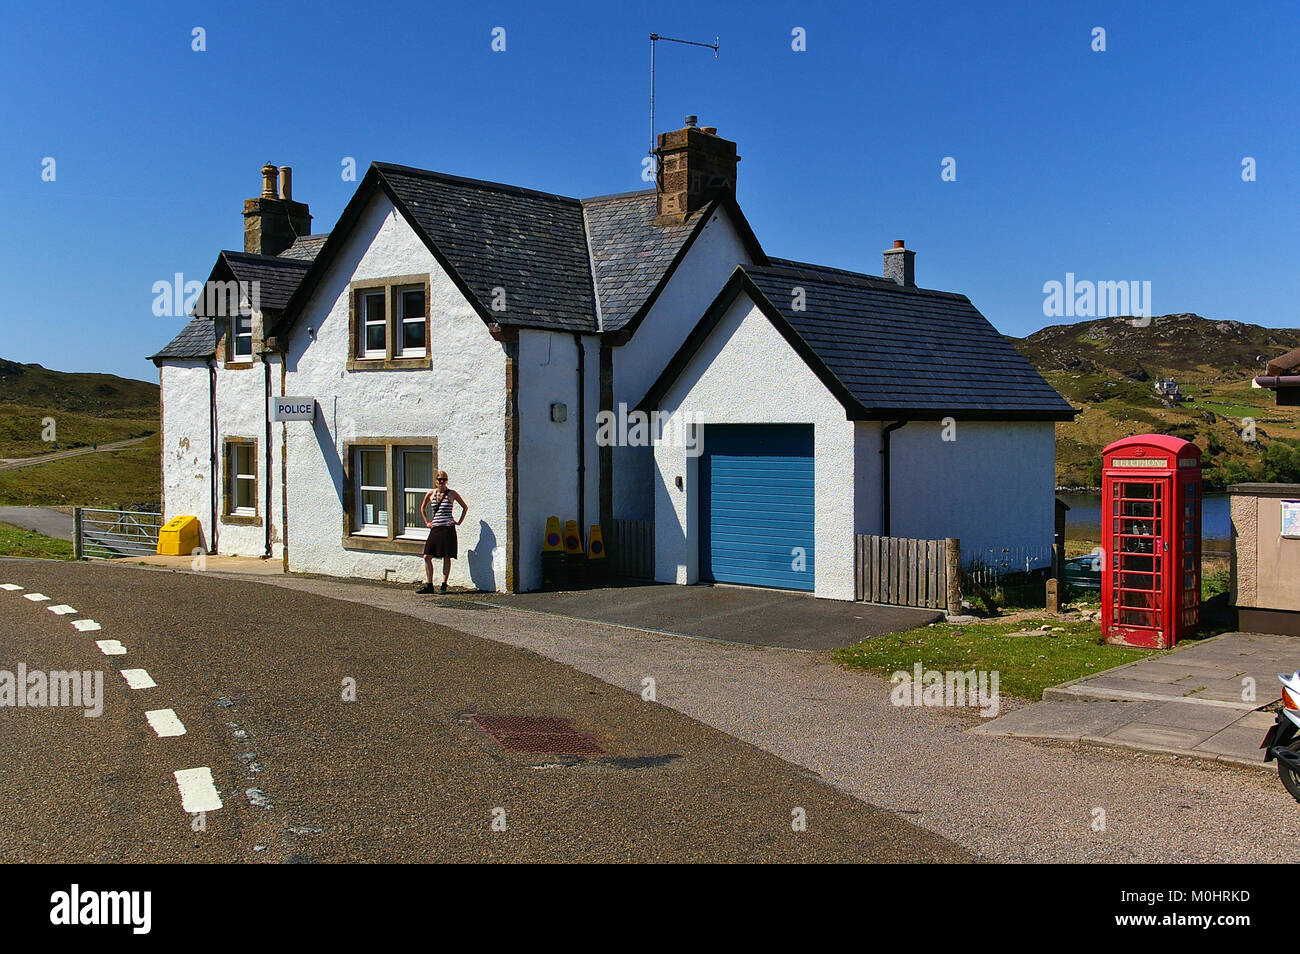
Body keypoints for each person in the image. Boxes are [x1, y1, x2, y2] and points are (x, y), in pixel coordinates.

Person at [416, 471, 467, 594]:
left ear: (447, 480)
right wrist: (427, 522)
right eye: (439, 479)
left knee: (446, 556)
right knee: (427, 556)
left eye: (443, 479)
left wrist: (458, 522)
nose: (441, 481)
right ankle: (429, 585)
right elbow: (422, 508)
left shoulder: (452, 494)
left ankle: (444, 584)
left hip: (447, 528)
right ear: (435, 480)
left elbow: (465, 507)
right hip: (436, 528)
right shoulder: (431, 493)